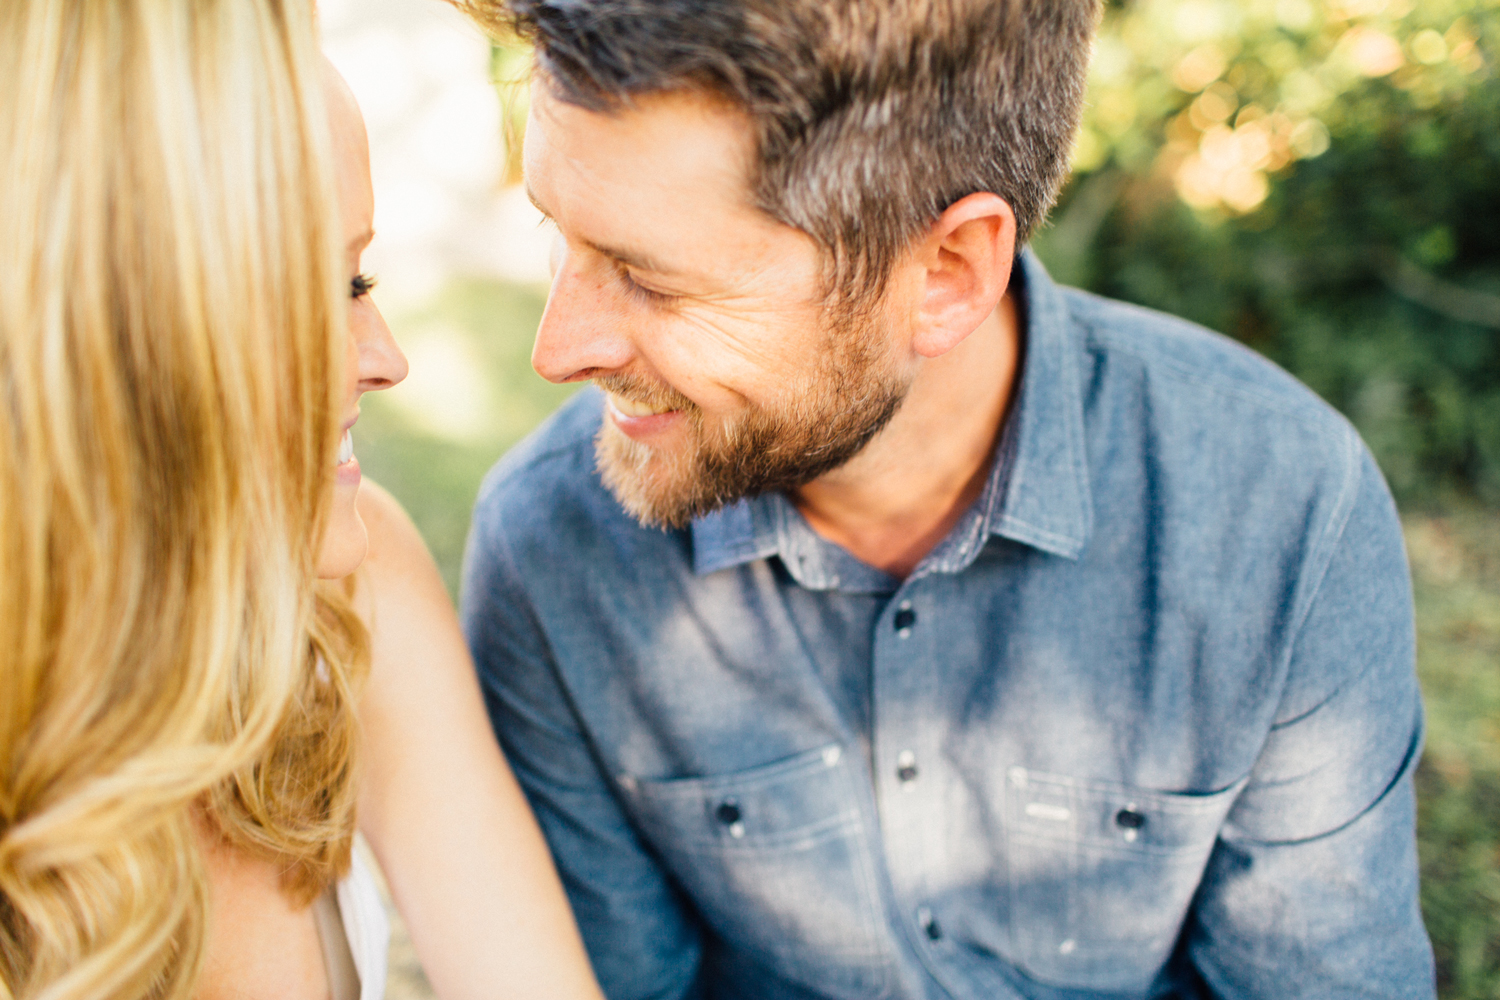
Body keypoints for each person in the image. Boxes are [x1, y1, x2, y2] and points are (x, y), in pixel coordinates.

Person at [454, 1, 1436, 998]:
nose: (557, 349)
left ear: (947, 273)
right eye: (558, 232)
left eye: (650, 281)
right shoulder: (553, 550)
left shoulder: (1281, 514)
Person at [0, 3, 604, 999]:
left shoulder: (347, 601)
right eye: (311, 296)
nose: (386, 357)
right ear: (97, 342)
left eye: (360, 276)